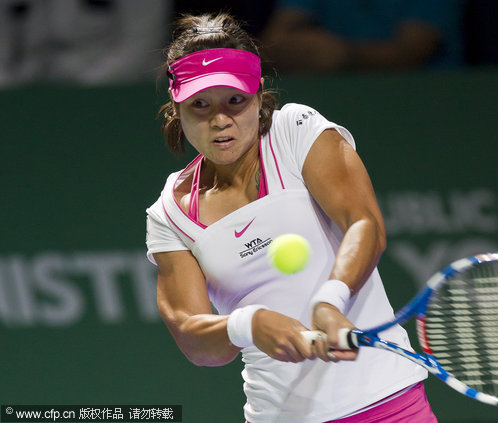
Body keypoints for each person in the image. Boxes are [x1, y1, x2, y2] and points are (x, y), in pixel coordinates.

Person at [145, 12, 437, 423]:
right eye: (200, 105)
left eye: (235, 100)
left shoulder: (295, 131)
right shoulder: (169, 214)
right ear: (177, 109)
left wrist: (331, 299)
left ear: (259, 93)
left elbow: (363, 223)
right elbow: (196, 341)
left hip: (387, 404)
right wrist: (248, 324)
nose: (220, 119)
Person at [259, 0, 465, 73]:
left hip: (426, 102)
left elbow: (412, 51)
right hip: (335, 101)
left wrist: (345, 56)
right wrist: (296, 50)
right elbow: (272, 42)